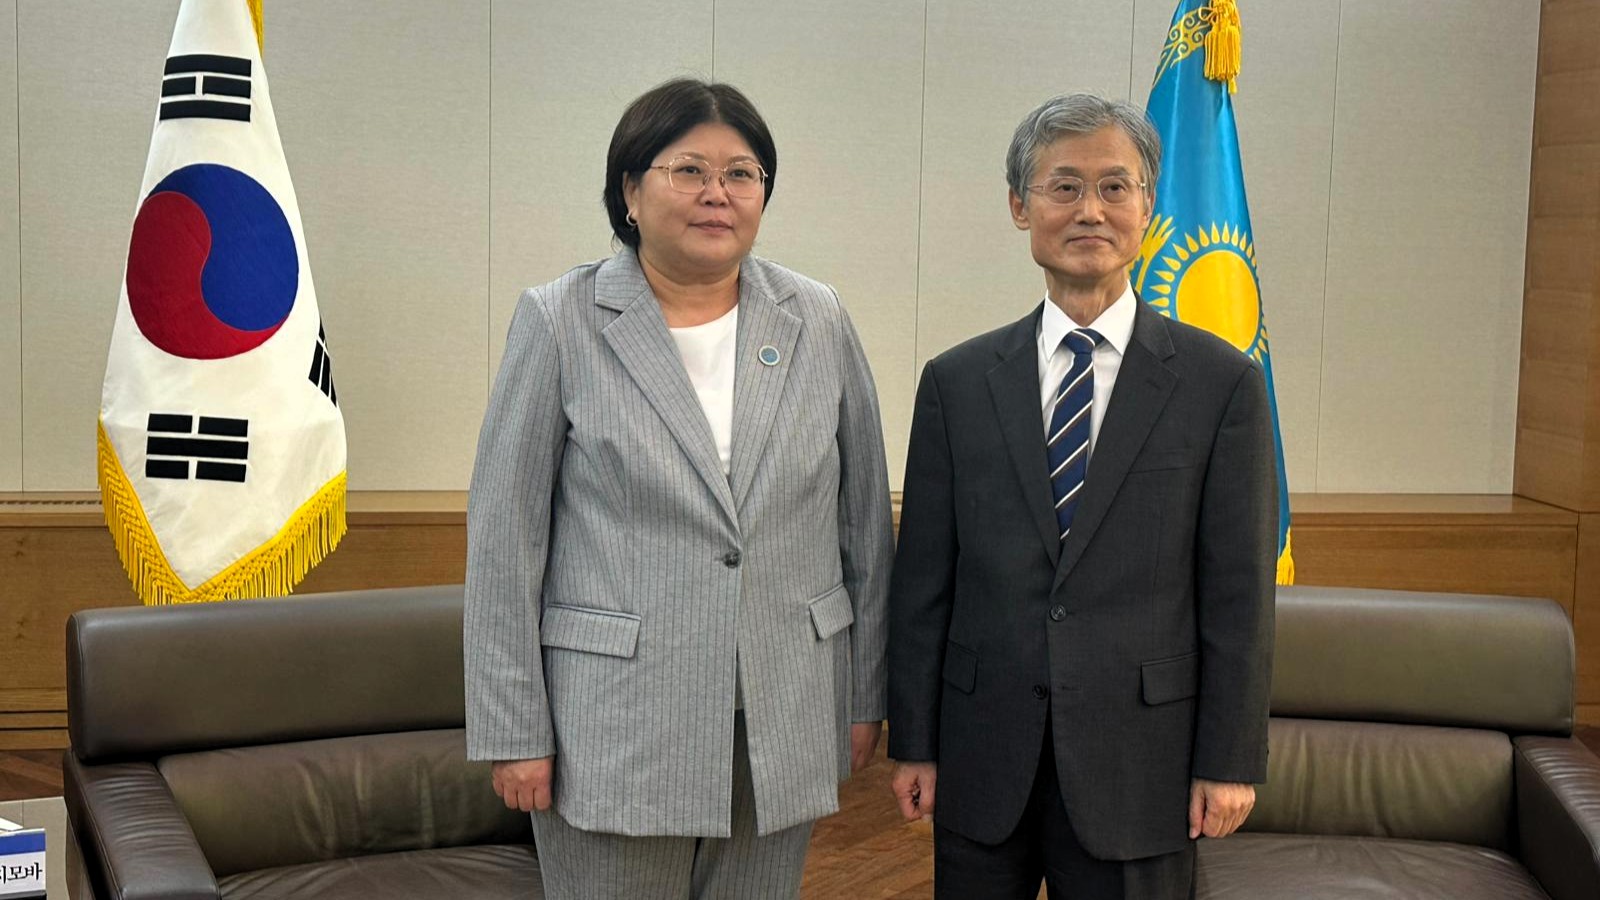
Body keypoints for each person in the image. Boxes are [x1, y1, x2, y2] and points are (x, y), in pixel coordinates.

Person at [463, 78, 893, 899]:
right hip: (616, 718)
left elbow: (865, 524)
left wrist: (864, 694)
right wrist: (514, 730)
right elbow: (504, 540)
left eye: (742, 173)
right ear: (629, 189)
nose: (716, 193)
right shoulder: (561, 319)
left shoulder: (819, 316)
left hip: (784, 705)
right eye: (687, 170)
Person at [886, 92, 1276, 899]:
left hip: (1145, 762)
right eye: (1063, 187)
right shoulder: (955, 384)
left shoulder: (1220, 385)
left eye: (1114, 187)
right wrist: (915, 742)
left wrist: (1228, 760)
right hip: (982, 753)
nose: (1089, 210)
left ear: (1148, 204)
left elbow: (1239, 594)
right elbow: (924, 582)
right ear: (1019, 206)